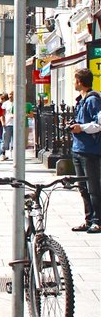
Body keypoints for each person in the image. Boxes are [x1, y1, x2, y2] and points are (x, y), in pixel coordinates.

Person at [68, 68, 101, 234]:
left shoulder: (93, 100)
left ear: (80, 82)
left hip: (90, 150)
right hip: (78, 148)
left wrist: (81, 128)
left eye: (74, 80)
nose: (73, 83)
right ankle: (89, 219)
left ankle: (98, 220)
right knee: (83, 187)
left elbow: (99, 124)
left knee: (93, 186)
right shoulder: (81, 100)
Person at [0, 92, 14, 160]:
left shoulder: (18, 103)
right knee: (5, 140)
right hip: (8, 124)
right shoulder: (5, 103)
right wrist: (3, 122)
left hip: (16, 124)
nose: (11, 96)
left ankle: (15, 154)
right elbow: (2, 114)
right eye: (10, 94)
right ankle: (3, 154)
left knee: (16, 140)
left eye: (12, 94)